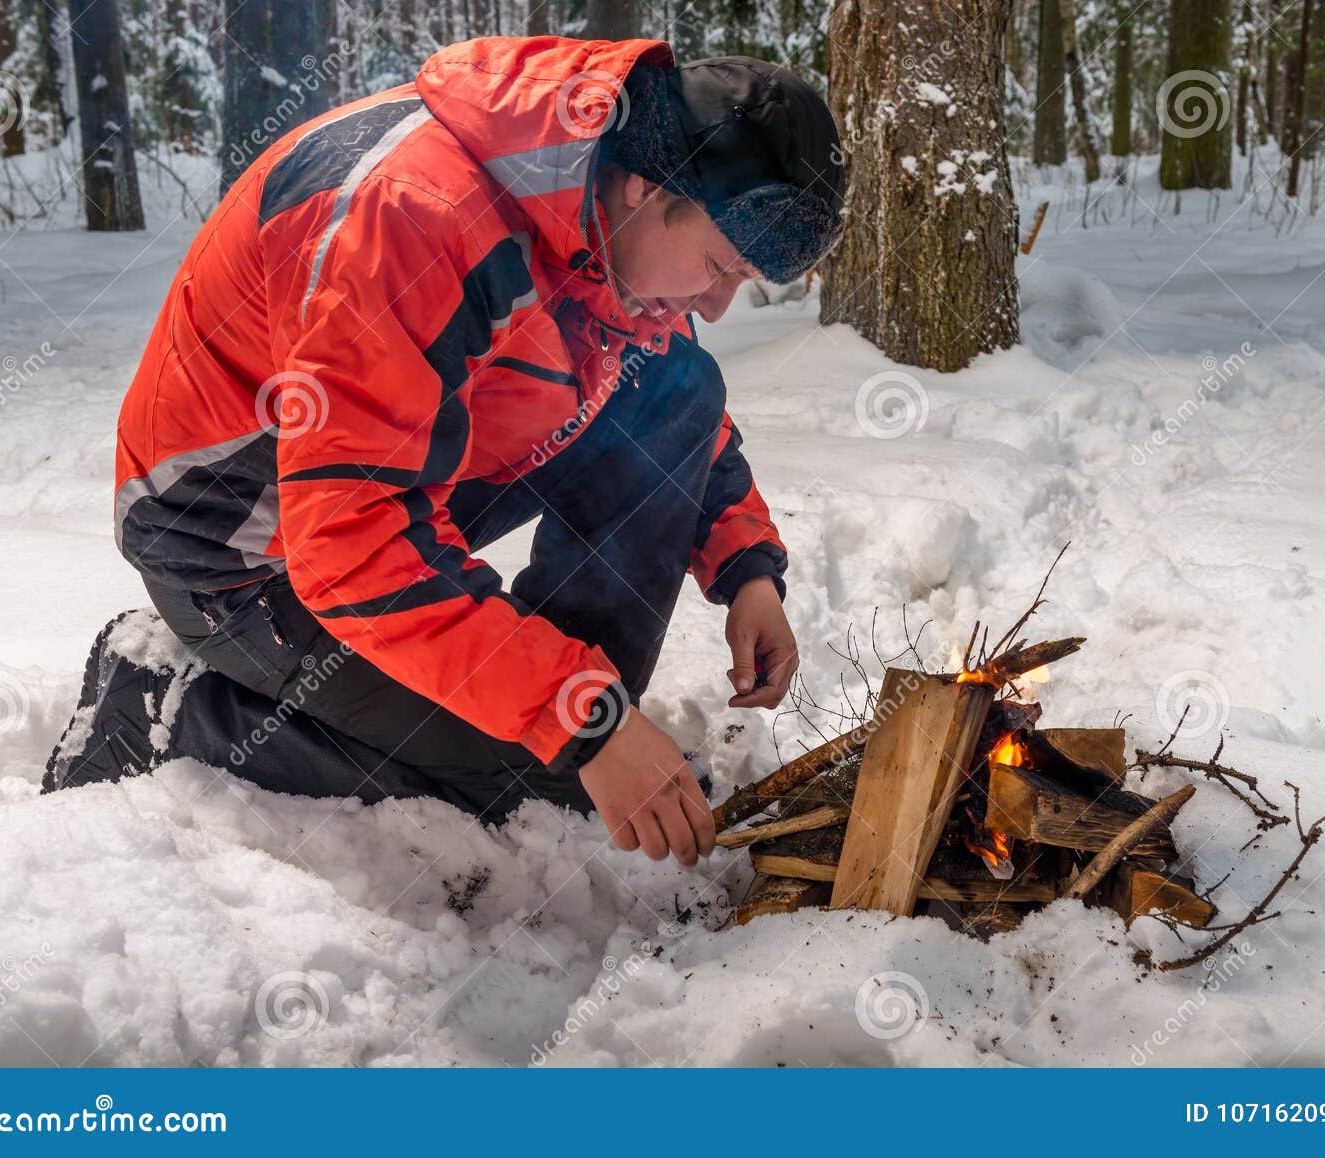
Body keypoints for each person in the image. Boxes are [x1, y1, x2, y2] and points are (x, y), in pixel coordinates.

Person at [43, 36, 846, 869]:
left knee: (674, 385)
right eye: (719, 266)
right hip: (240, 543)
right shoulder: (407, 216)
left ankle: (537, 710)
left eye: (741, 281)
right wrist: (580, 724)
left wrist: (745, 566)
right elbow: (352, 541)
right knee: (547, 776)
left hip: (393, 468)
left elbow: (662, 389)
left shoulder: (597, 200)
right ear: (649, 190)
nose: (715, 305)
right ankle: (153, 707)